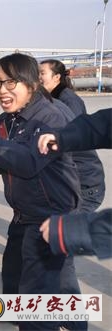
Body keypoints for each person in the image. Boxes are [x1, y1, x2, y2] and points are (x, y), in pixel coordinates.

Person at [0, 53, 82, 331]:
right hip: (24, 213)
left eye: (10, 82)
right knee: (16, 277)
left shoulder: (51, 117)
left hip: (52, 215)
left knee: (38, 295)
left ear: (31, 83)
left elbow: (27, 162)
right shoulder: (7, 119)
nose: (2, 89)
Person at [38, 108, 112, 260]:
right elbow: (104, 124)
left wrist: (79, 230)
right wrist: (63, 138)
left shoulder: (60, 107)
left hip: (83, 186)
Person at [39, 59, 105, 212]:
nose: (38, 77)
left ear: (56, 77)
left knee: (69, 233)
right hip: (71, 181)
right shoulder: (53, 99)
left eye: (42, 73)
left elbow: (72, 142)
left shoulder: (67, 102)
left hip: (82, 183)